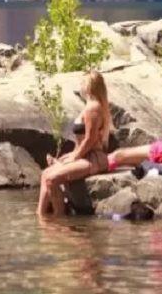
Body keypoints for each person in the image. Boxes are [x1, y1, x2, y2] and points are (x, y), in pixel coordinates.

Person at [37, 70, 111, 217]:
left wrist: (74, 157)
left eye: (82, 82)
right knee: (45, 174)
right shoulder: (90, 106)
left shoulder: (93, 108)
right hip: (85, 155)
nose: (80, 86)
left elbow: (90, 138)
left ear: (89, 86)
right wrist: (69, 155)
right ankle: (41, 217)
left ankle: (60, 219)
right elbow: (84, 140)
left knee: (52, 179)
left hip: (93, 159)